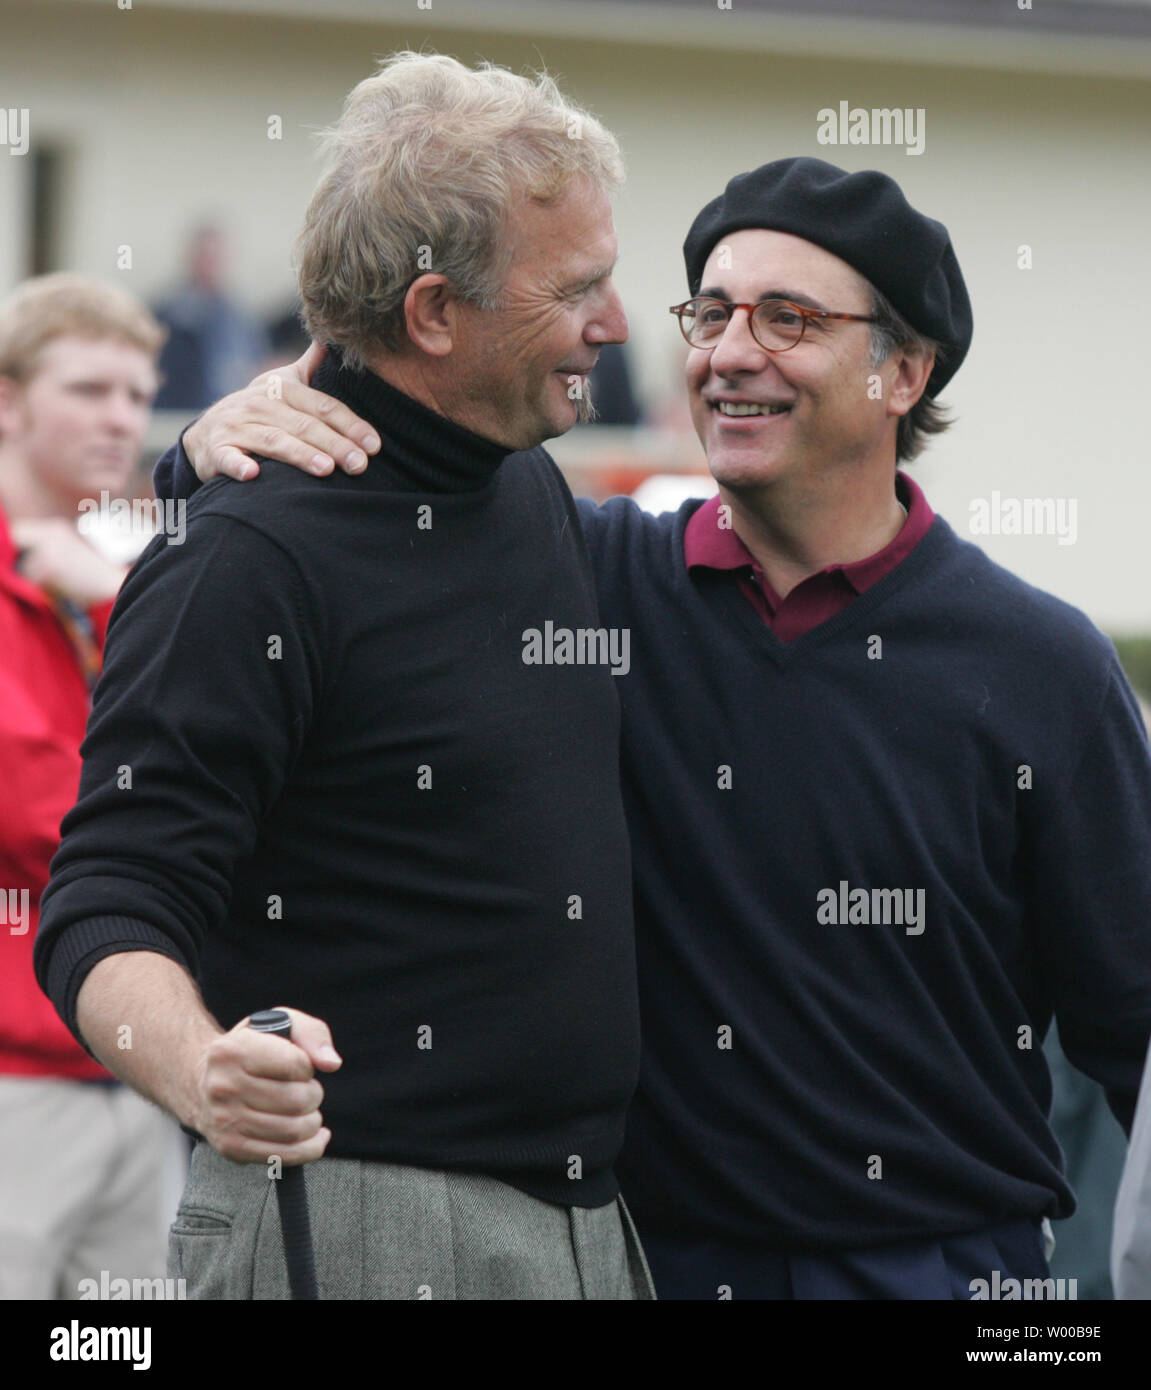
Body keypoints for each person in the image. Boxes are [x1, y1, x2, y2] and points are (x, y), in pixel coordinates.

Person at [159, 155, 1151, 1300]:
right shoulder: (577, 582)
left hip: (950, 1271)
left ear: (904, 372)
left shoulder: (1040, 665)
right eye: (711, 313)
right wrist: (196, 456)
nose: (730, 352)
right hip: (641, 1266)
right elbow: (353, 545)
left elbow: (1129, 1023)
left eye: (788, 319)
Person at [35, 53, 650, 1301]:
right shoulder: (249, 554)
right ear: (432, 314)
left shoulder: (522, 482)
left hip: (581, 1223)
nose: (617, 324)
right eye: (577, 288)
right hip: (357, 1220)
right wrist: (206, 1070)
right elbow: (103, 903)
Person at [0, 273, 178, 1299]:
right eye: (89, 390)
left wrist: (116, 604)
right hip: (19, 1082)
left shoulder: (99, 581)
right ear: (11, 403)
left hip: (122, 1062)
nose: (120, 418)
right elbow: (109, 817)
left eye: (134, 392)